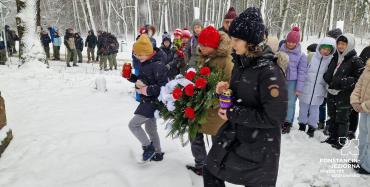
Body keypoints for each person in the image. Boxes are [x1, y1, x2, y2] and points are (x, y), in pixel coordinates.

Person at [204, 7, 287, 187]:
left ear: (250, 41)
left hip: (259, 146)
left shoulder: (270, 72)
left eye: (236, 39)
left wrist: (233, 112)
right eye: (232, 38)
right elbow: (243, 97)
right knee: (211, 169)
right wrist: (225, 92)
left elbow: (275, 117)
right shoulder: (241, 63)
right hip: (235, 136)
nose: (232, 43)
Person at [185, 26, 234, 176]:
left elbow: (229, 87)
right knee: (195, 135)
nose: (200, 47)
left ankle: (216, 168)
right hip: (200, 106)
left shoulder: (227, 61)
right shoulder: (203, 55)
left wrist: (212, 98)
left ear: (213, 46)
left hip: (215, 109)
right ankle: (201, 164)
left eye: (204, 45)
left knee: (217, 141)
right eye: (200, 44)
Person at [125, 35, 167, 162]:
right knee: (150, 128)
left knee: (133, 125)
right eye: (136, 55)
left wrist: (145, 90)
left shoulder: (158, 65)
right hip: (147, 100)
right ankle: (158, 153)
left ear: (147, 52)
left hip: (152, 102)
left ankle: (148, 147)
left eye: (139, 55)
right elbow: (144, 80)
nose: (137, 57)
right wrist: (130, 77)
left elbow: (163, 87)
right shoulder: (145, 62)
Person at [323, 34, 364, 149]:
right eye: (339, 43)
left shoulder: (355, 60)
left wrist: (342, 82)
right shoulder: (335, 56)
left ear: (349, 45)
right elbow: (330, 72)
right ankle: (332, 136)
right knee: (332, 116)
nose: (340, 46)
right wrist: (326, 77)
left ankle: (340, 141)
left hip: (344, 95)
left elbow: (359, 79)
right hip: (331, 92)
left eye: (344, 44)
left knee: (342, 119)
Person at [297, 37, 336, 137]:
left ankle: (311, 127)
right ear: (319, 47)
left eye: (328, 50)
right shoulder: (311, 56)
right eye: (324, 48)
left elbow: (330, 76)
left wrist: (327, 90)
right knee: (303, 109)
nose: (325, 51)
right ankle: (301, 125)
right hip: (306, 88)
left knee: (315, 110)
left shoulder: (331, 61)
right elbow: (302, 71)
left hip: (319, 90)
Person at [279, 26, 307, 133]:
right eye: (288, 41)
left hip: (292, 82)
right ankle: (280, 118)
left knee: (290, 102)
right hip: (281, 80)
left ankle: (288, 121)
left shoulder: (301, 56)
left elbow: (302, 73)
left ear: (297, 43)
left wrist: (299, 88)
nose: (290, 44)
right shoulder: (280, 52)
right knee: (280, 101)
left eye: (293, 42)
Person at [350, 58, 370, 175]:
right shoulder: (368, 66)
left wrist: (364, 105)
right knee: (362, 136)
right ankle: (361, 161)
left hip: (365, 107)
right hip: (364, 109)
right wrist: (355, 101)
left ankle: (368, 166)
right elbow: (359, 85)